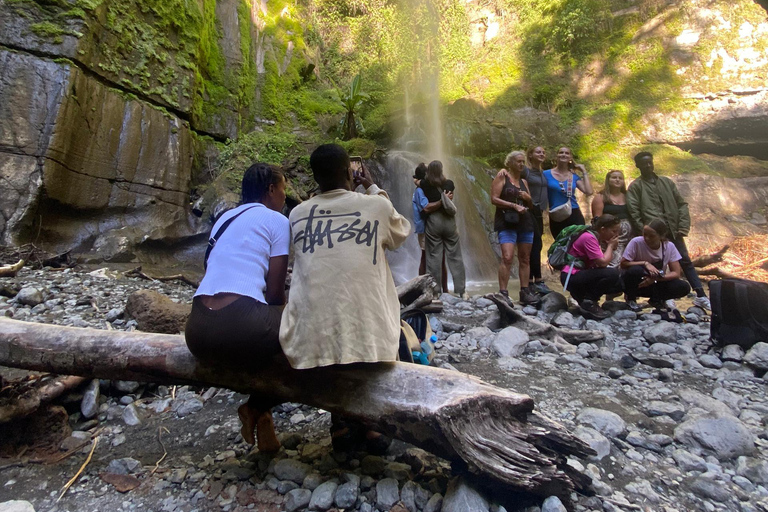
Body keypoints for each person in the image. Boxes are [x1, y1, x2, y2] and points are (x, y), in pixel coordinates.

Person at [185, 162, 289, 453]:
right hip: (240, 325)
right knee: (296, 328)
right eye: (283, 189)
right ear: (271, 190)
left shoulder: (224, 218)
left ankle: (262, 415)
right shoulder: (277, 221)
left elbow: (212, 266)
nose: (284, 196)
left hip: (196, 330)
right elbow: (276, 293)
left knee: (264, 335)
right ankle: (257, 406)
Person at [627, 152, 711, 310]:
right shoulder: (636, 187)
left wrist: (683, 226)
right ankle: (663, 297)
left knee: (685, 261)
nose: (648, 166)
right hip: (654, 235)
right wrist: (647, 234)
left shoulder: (667, 182)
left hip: (673, 230)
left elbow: (681, 204)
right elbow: (634, 213)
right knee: (657, 264)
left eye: (650, 162)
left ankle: (701, 295)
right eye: (644, 163)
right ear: (637, 166)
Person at [492, 151, 540, 305]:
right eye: (518, 161)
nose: (521, 164)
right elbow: (494, 199)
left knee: (525, 258)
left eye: (523, 162)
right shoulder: (502, 177)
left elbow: (531, 206)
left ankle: (524, 291)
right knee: (507, 257)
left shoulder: (524, 183)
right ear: (510, 162)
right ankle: (503, 292)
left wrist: (528, 199)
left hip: (525, 223)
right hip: (506, 222)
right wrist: (513, 205)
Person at [560, 214, 622, 320]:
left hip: (580, 275)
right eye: (613, 231)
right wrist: (611, 246)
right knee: (613, 274)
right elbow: (602, 263)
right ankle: (590, 302)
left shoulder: (594, 237)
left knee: (619, 283)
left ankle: (585, 301)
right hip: (572, 276)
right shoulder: (589, 238)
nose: (616, 235)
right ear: (603, 229)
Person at [620, 219, 691, 312]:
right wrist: (645, 263)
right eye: (644, 234)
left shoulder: (669, 246)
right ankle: (631, 298)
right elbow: (623, 263)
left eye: (651, 236)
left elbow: (676, 273)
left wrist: (655, 279)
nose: (647, 238)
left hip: (656, 282)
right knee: (635, 270)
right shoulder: (636, 242)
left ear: (661, 236)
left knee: (683, 287)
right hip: (638, 283)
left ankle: (657, 299)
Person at [419, 160, 467, 298]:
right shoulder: (449, 184)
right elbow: (449, 198)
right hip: (449, 222)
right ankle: (461, 290)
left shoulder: (425, 185)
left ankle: (435, 291)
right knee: (455, 256)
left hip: (434, 222)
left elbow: (418, 181)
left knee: (434, 257)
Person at [544, 147, 594, 238]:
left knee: (578, 243)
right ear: (557, 156)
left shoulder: (573, 176)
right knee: (560, 245)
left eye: (567, 153)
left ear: (570, 157)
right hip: (556, 215)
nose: (564, 154)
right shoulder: (546, 174)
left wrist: (584, 171)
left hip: (573, 213)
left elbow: (589, 191)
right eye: (561, 152)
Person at [523, 146, 552, 295]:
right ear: (530, 155)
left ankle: (532, 281)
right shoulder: (525, 171)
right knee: (534, 244)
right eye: (538, 152)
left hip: (539, 212)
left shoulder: (543, 173)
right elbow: (512, 177)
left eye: (543, 152)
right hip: (528, 211)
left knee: (537, 245)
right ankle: (535, 281)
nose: (542, 154)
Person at [592, 170, 632, 267]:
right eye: (614, 177)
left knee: (627, 263)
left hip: (629, 237)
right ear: (608, 180)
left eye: (620, 178)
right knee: (613, 263)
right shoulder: (600, 197)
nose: (617, 180)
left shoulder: (628, 196)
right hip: (611, 237)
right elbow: (597, 220)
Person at [411, 163, 429, 275]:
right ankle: (422, 281)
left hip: (422, 227)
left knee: (426, 255)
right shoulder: (420, 191)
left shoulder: (420, 190)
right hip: (424, 227)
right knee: (425, 256)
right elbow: (426, 208)